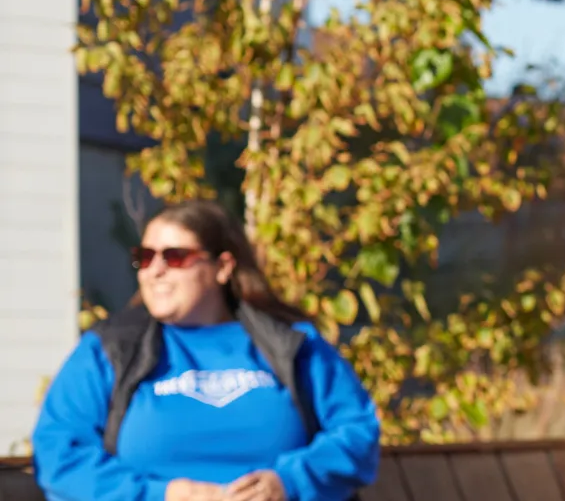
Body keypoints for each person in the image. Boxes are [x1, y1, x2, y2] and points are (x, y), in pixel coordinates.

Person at [33, 200, 380, 501]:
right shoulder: (109, 349)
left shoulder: (290, 344)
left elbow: (357, 433)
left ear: (223, 267)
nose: (155, 270)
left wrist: (287, 483)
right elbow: (60, 455)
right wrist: (161, 495)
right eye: (145, 256)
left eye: (176, 257)